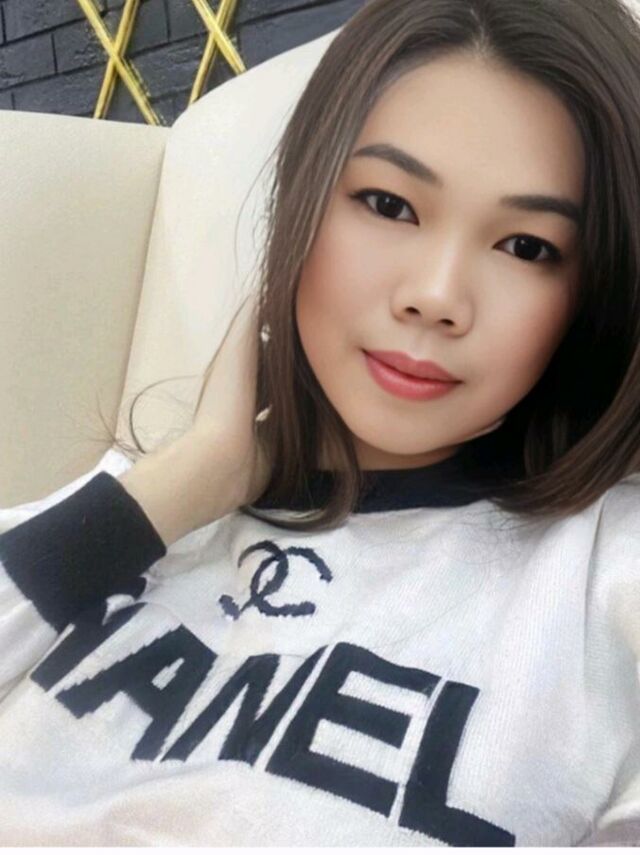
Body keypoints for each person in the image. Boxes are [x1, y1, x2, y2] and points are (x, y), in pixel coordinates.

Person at [1, 0, 640, 845]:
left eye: (527, 246)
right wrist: (191, 479)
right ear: (302, 204)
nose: (436, 296)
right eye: (389, 203)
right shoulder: (144, 495)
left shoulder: (605, 577)